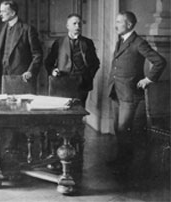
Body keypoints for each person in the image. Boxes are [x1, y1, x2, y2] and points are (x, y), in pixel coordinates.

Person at [108, 11, 166, 174]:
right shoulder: (121, 40)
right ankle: (121, 159)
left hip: (129, 94)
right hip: (116, 91)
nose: (116, 25)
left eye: (119, 22)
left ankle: (125, 165)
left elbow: (160, 62)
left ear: (129, 24)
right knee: (118, 129)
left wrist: (148, 79)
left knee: (124, 129)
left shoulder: (138, 42)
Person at [45, 13, 100, 107]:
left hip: (82, 84)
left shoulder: (87, 42)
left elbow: (95, 63)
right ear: (67, 26)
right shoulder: (59, 42)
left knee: (79, 111)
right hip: (63, 82)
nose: (77, 26)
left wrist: (89, 76)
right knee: (63, 111)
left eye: (79, 24)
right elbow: (48, 62)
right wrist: (53, 70)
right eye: (74, 24)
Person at [0, 0, 43, 91]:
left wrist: (30, 71)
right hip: (4, 76)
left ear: (13, 13)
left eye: (3, 11)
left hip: (22, 77)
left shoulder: (27, 29)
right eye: (0, 11)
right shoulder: (2, 29)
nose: (0, 14)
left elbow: (37, 54)